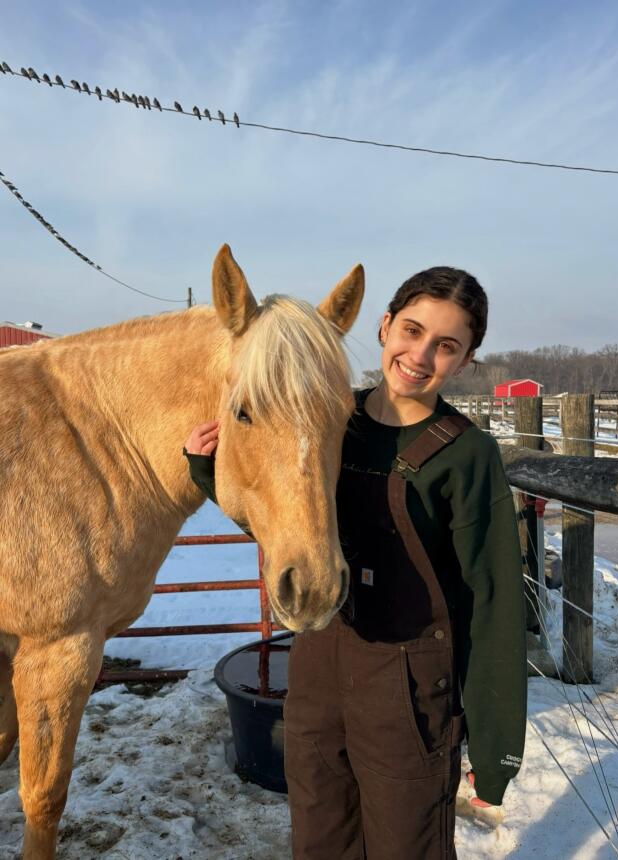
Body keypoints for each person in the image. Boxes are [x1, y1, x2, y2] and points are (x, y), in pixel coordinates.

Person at [184, 266, 527, 860]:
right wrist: (205, 470)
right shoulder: (328, 414)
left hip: (410, 690)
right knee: (320, 836)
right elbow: (291, 520)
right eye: (412, 330)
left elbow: (491, 599)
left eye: (446, 345)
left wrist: (496, 749)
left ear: (467, 360)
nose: (420, 355)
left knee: (405, 843)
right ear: (385, 325)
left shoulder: (468, 454)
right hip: (318, 666)